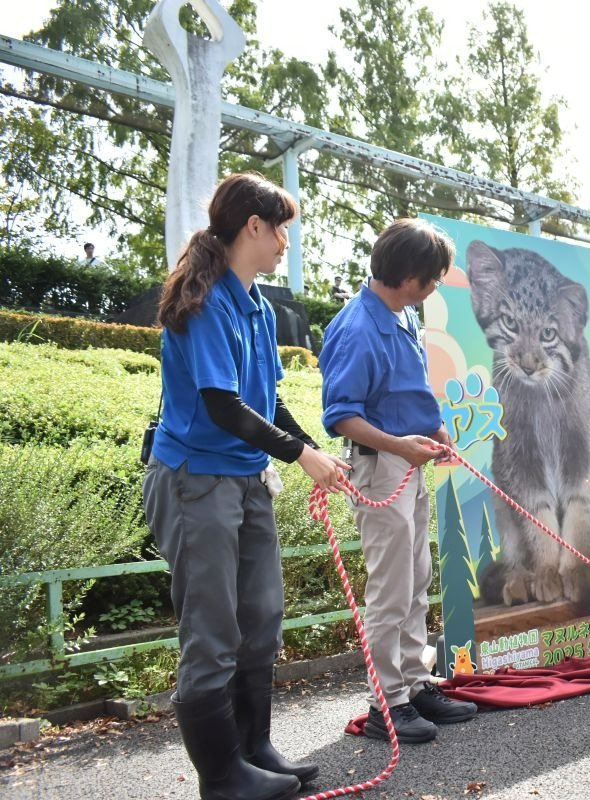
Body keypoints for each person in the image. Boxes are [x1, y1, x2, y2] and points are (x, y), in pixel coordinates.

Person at [142, 173, 350, 798]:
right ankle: (222, 777)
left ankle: (253, 747)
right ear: (253, 227)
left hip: (245, 477)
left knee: (262, 616)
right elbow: (220, 405)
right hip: (195, 479)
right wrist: (299, 457)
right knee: (212, 633)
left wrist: (309, 448)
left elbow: (267, 400)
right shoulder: (204, 300)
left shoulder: (259, 305)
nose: (286, 240)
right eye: (280, 226)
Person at [320, 218, 478, 744]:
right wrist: (400, 446)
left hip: (409, 457)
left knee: (415, 576)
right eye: (431, 278)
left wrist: (434, 431)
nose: (433, 288)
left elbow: (409, 390)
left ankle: (414, 681)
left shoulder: (403, 314)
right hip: (381, 463)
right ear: (408, 273)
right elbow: (342, 415)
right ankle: (383, 702)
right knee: (389, 588)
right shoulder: (357, 327)